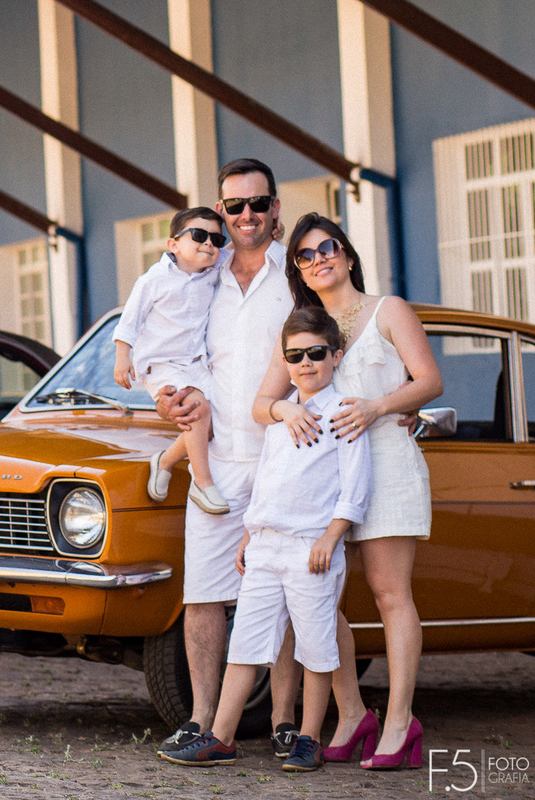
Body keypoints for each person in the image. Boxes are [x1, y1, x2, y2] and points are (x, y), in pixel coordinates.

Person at [252, 212, 442, 770]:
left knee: (389, 594)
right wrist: (285, 406)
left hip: (384, 463)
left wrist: (380, 406)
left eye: (327, 247)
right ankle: (353, 710)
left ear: (349, 254)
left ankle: (402, 722)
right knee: (318, 602)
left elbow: (429, 380)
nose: (318, 259)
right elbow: (261, 404)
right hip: (318, 485)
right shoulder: (301, 326)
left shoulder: (389, 309)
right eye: (305, 255)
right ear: (299, 271)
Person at [160, 307, 371, 772]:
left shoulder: (343, 414)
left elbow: (355, 487)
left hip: (311, 550)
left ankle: (309, 738)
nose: (306, 363)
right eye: (295, 355)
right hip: (264, 546)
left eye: (316, 353)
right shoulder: (280, 418)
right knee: (247, 645)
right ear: (284, 360)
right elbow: (268, 482)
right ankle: (220, 736)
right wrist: (248, 534)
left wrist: (331, 537)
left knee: (314, 646)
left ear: (336, 355)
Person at [154, 158, 299, 758]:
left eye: (257, 205)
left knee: (291, 593)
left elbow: (338, 341)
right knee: (204, 594)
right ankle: (203, 720)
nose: (245, 216)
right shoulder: (198, 277)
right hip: (215, 461)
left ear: (275, 209)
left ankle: (289, 721)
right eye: (233, 207)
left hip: (286, 460)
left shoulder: (297, 277)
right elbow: (171, 352)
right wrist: (167, 399)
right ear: (218, 211)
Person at [113, 206, 229, 514]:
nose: (209, 244)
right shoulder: (153, 280)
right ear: (173, 244)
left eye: (216, 238)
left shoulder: (214, 269)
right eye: (199, 235)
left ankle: (165, 460)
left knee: (219, 422)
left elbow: (245, 250)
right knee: (195, 409)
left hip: (195, 364)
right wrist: (122, 357)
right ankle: (203, 484)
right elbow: (130, 321)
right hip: (161, 365)